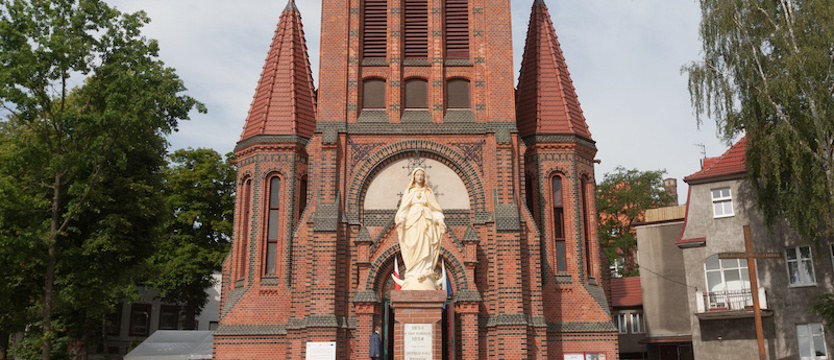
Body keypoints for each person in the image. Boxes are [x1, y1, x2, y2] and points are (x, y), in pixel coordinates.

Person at [394, 168, 446, 290]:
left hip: (427, 222)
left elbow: (435, 209)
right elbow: (404, 208)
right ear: (414, 177)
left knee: (426, 246)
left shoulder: (428, 192)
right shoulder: (409, 192)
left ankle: (426, 270)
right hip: (412, 222)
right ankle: (413, 272)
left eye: (422, 175)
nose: (420, 177)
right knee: (413, 246)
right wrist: (401, 220)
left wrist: (440, 221)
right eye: (417, 175)